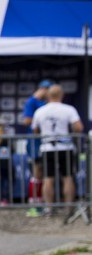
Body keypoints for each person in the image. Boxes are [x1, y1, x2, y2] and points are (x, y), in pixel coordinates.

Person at [31, 84, 84, 216]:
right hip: (65, 148)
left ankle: (49, 208)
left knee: (48, 178)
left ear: (48, 96)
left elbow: (35, 130)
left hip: (47, 147)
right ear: (61, 95)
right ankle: (68, 208)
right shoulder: (68, 109)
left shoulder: (40, 111)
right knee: (67, 177)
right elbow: (79, 127)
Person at [22, 79, 53, 216]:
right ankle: (34, 205)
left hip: (46, 144)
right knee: (37, 173)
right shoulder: (32, 102)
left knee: (45, 174)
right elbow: (27, 121)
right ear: (43, 89)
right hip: (35, 144)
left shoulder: (46, 103)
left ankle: (42, 203)